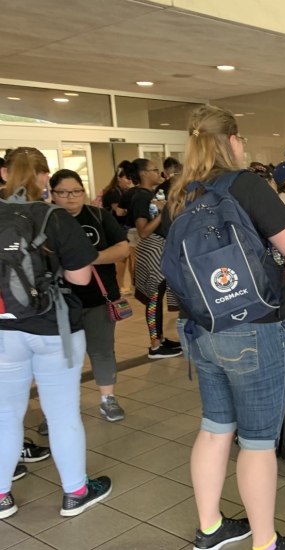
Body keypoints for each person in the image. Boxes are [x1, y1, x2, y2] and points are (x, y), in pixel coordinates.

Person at [166, 105, 285, 550]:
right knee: (258, 442)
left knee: (214, 428)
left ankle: (210, 529)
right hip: (255, 327)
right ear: (231, 141)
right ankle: (264, 541)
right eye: (241, 139)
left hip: (203, 327)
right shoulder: (244, 183)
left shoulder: (182, 192)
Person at [0, 147, 112, 520]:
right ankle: (75, 492)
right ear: (44, 177)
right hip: (54, 328)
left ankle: (1, 497)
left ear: (5, 175)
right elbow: (80, 277)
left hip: (3, 330)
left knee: (4, 415)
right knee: (62, 412)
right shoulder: (55, 217)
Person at [50, 169, 130, 422]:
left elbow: (123, 248)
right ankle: (59, 408)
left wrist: (88, 259)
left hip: (99, 297)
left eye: (75, 191)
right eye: (62, 192)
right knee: (62, 357)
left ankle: (108, 399)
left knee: (102, 350)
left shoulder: (98, 215)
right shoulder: (46, 219)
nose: (70, 197)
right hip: (59, 302)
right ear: (52, 194)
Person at [123, 158, 181, 359]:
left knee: (157, 295)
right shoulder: (141, 197)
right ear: (144, 174)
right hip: (153, 248)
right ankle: (155, 344)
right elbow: (143, 231)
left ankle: (160, 338)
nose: (159, 173)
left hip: (158, 248)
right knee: (154, 298)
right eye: (155, 170)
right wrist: (162, 213)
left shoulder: (148, 195)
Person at [101, 160, 136, 293]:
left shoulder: (123, 191)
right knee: (122, 258)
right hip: (116, 228)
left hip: (122, 227)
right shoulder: (113, 192)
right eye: (127, 178)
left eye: (131, 178)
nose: (129, 181)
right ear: (119, 177)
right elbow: (118, 211)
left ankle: (132, 284)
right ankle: (120, 284)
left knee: (130, 257)